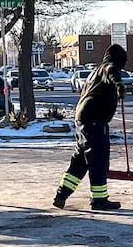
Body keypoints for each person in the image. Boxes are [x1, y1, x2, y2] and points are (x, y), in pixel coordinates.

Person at [53, 44, 127, 210]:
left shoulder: (95, 72)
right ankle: (99, 200)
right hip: (94, 120)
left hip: (82, 118)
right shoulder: (109, 67)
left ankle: (61, 195)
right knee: (98, 160)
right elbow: (113, 72)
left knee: (80, 160)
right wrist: (119, 85)